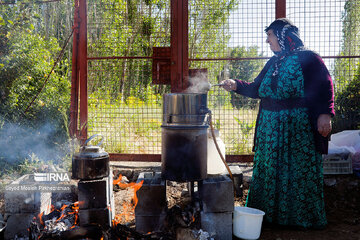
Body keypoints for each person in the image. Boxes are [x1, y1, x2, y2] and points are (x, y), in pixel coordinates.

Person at [221, 18, 334, 229]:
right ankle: (270, 217)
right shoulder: (273, 62)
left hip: (297, 127)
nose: (267, 41)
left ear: (283, 35)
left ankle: (301, 219)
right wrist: (235, 84)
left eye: (270, 35)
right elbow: (256, 88)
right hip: (270, 129)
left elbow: (326, 86)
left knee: (297, 171)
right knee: (270, 170)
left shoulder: (309, 58)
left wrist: (325, 114)